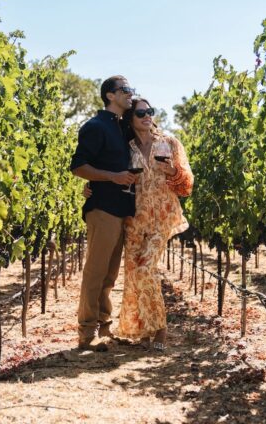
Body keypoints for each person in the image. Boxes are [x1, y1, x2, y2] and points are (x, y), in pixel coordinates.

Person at [115, 98, 194, 351]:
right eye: (141, 113)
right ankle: (143, 330)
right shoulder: (124, 148)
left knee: (146, 268)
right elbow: (113, 179)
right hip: (134, 220)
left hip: (162, 217)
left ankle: (160, 329)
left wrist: (172, 172)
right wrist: (89, 188)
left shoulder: (169, 144)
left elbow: (187, 186)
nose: (147, 115)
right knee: (133, 274)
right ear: (131, 118)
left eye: (150, 111)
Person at [69, 75, 137, 352]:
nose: (131, 94)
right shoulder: (95, 127)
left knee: (110, 274)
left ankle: (104, 326)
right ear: (110, 95)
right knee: (96, 271)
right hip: (103, 209)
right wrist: (112, 177)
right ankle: (86, 333)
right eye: (126, 90)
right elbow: (78, 167)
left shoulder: (122, 128)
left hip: (122, 209)